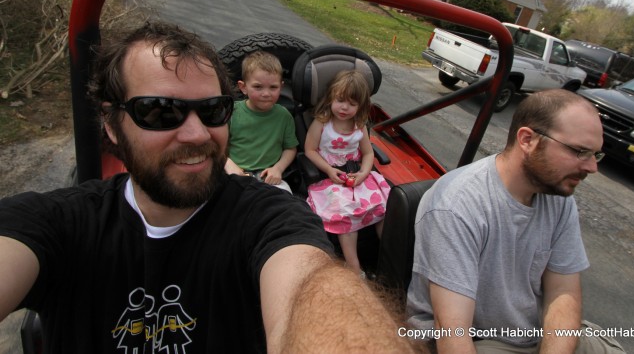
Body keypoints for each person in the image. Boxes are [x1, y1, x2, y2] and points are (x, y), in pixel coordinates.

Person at [0, 22, 414, 353]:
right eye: (161, 111)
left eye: (213, 110)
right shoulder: (56, 223)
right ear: (110, 123)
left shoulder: (269, 218)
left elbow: (309, 287)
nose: (197, 134)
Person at [406, 89, 625, 354]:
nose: (592, 167)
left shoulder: (558, 196)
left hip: (535, 333)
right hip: (478, 340)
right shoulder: (456, 205)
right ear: (528, 139)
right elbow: (453, 333)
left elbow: (562, 292)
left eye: (595, 155)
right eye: (580, 152)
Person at [305, 70, 390, 276]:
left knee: (383, 205)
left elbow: (368, 153)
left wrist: (363, 172)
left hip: (358, 175)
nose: (344, 107)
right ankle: (354, 267)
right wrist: (328, 169)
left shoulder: (359, 126)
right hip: (331, 177)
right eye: (340, 100)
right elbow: (309, 150)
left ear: (360, 106)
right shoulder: (322, 123)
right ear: (331, 98)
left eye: (352, 104)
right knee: (345, 213)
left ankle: (389, 258)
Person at [224, 51, 297, 193]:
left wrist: (278, 168)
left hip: (268, 177)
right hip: (234, 172)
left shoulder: (284, 116)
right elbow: (216, 146)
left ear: (281, 87)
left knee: (287, 200)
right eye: (258, 87)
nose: (266, 93)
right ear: (243, 87)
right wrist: (228, 164)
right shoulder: (232, 113)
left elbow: (290, 148)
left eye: (273, 87)